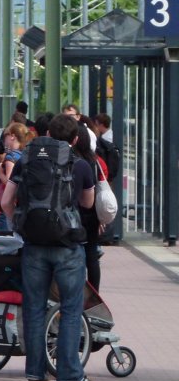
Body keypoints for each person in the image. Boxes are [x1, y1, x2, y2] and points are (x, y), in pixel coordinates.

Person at [0, 113, 96, 381]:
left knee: (34, 306)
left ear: (49, 136)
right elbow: (88, 204)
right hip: (67, 246)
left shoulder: (26, 161)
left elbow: (7, 200)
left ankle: (34, 371)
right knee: (70, 308)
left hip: (33, 245)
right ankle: (68, 373)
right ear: (75, 139)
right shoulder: (80, 166)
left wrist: (16, 225)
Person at [74, 121, 108, 291]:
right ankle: (95, 293)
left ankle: (79, 291)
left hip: (76, 213)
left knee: (75, 254)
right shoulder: (94, 161)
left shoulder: (72, 161)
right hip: (92, 213)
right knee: (92, 255)